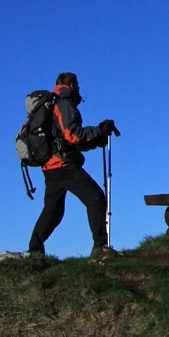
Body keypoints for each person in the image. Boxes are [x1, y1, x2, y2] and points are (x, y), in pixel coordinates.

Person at [28, 72, 120, 258]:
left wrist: (95, 140)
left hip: (51, 167)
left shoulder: (52, 104)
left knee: (53, 211)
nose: (79, 89)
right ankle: (100, 248)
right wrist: (99, 131)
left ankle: (34, 251)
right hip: (64, 167)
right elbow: (73, 134)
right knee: (96, 199)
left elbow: (67, 141)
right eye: (77, 85)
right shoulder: (64, 103)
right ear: (71, 85)